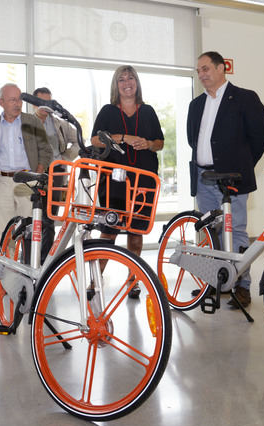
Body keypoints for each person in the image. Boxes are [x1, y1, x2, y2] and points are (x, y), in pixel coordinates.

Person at [187, 51, 264, 308]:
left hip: (232, 178)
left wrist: (241, 167)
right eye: (199, 70)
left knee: (237, 230)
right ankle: (217, 282)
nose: (202, 74)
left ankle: (242, 287)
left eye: (206, 68)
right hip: (204, 176)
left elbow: (259, 139)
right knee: (212, 232)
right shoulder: (196, 104)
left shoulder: (244, 98)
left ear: (222, 68)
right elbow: (193, 139)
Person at [90, 65, 164, 298]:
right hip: (115, 181)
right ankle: (95, 280)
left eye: (131, 78)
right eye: (121, 79)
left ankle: (133, 280)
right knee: (109, 230)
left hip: (144, 179)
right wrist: (123, 138)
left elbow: (160, 142)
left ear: (137, 83)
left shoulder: (149, 111)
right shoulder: (108, 111)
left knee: (136, 231)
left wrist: (149, 144)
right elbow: (94, 140)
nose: (127, 82)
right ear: (116, 85)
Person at [0, 83, 52, 244]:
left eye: (19, 100)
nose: (18, 104)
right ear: (1, 102)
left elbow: (46, 151)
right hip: (2, 182)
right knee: (5, 230)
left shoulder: (32, 122)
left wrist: (37, 176)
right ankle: (7, 265)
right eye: (12, 100)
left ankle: (28, 265)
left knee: (29, 228)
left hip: (27, 181)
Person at [33, 87, 79, 262]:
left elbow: (77, 141)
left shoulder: (59, 123)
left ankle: (46, 260)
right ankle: (31, 258)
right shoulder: (27, 122)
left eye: (49, 102)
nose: (46, 106)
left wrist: (65, 158)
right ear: (33, 103)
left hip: (57, 172)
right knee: (35, 217)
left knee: (50, 217)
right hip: (37, 172)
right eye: (42, 102)